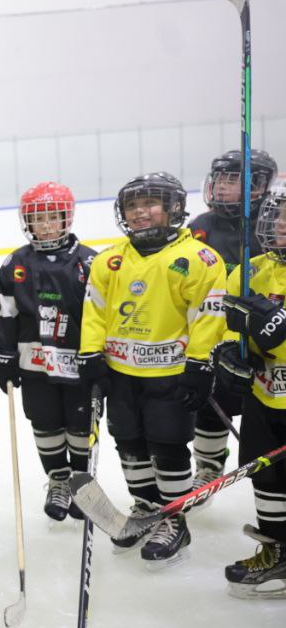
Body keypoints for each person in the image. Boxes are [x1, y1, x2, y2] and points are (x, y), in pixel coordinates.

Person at [77, 172, 226, 567]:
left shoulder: (198, 258)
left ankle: (173, 518)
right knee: (128, 442)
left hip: (171, 373)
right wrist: (91, 354)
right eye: (132, 206)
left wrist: (199, 364)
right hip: (121, 372)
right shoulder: (109, 260)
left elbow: (208, 317)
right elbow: (95, 311)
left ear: (175, 208)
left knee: (167, 444)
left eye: (151, 204)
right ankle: (145, 507)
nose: (140, 213)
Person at [0, 182, 97, 521]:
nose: (47, 226)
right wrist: (4, 354)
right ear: (28, 222)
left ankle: (81, 484)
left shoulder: (89, 262)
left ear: (67, 218)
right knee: (45, 423)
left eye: (54, 218)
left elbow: (101, 318)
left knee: (80, 426)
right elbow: (5, 313)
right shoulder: (15, 264)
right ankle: (58, 481)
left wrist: (101, 359)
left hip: (78, 365)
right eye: (39, 219)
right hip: (34, 363)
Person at [188, 150, 278, 488]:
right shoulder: (199, 227)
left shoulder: (271, 225)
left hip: (265, 339)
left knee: (265, 411)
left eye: (233, 179)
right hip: (214, 339)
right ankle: (208, 467)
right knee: (210, 406)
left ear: (258, 185)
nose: (222, 187)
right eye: (221, 179)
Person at [214, 184, 286, 598]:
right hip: (264, 397)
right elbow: (231, 330)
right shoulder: (247, 268)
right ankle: (277, 550)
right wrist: (230, 356)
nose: (281, 225)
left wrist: (275, 329)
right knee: (267, 478)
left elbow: (273, 330)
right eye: (278, 216)